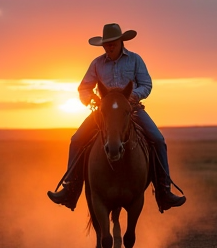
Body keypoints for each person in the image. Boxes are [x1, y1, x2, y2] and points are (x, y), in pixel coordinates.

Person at [47, 23, 186, 213]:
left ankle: (164, 191)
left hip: (132, 110)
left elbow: (146, 84)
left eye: (113, 43)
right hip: (103, 113)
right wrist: (92, 101)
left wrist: (131, 96)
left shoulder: (135, 60)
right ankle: (70, 189)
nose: (109, 46)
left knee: (158, 140)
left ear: (121, 42)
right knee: (77, 139)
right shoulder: (97, 63)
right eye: (106, 44)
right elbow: (84, 88)